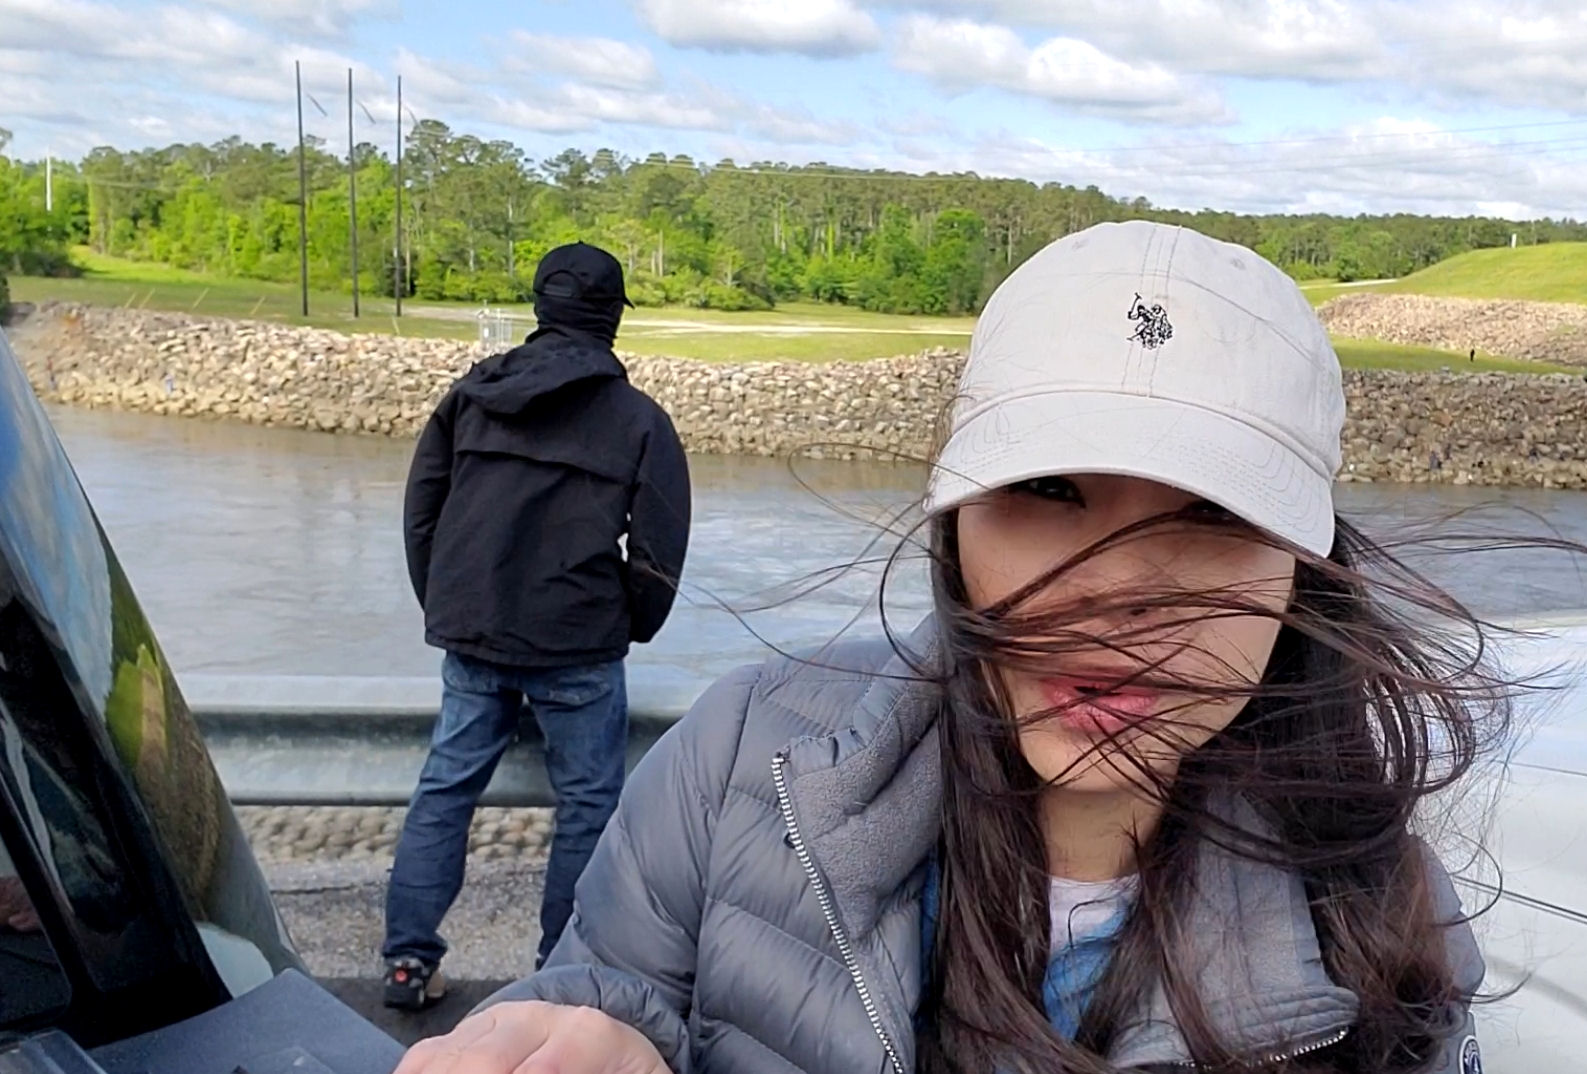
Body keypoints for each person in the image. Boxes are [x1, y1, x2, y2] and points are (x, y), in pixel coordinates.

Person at [396, 222, 1497, 1072]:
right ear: (952, 520)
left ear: (1306, 568)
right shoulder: (736, 762)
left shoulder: (1386, 909)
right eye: (1046, 488)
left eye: (1215, 515)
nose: (1113, 598)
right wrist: (603, 1033)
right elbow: (615, 980)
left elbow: (427, 510)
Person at [383, 242, 693, 1010]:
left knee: (446, 788)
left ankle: (407, 961)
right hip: (578, 642)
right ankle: (557, 973)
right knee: (588, 807)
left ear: (540, 306)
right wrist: (627, 623)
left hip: (474, 630)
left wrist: (449, 606)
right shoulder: (639, 420)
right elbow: (659, 551)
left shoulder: (472, 395)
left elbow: (422, 513)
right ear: (612, 317)